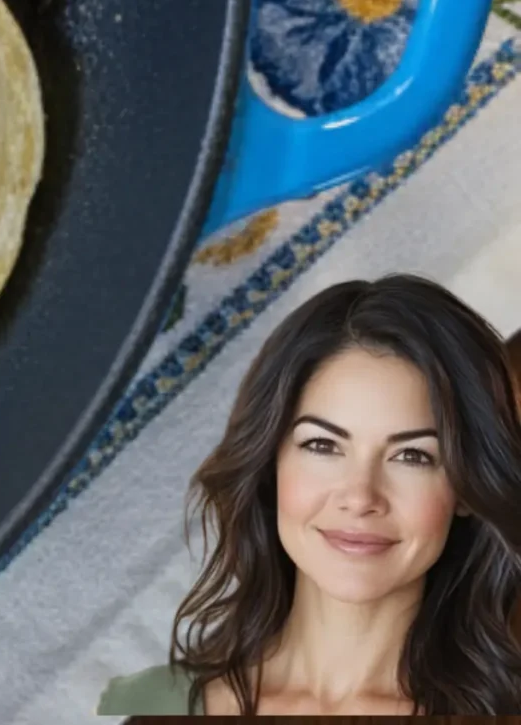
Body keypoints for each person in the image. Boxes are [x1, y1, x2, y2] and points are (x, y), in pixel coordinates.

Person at [99, 275, 521, 715]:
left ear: (467, 491)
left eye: (413, 456)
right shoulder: (163, 714)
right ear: (270, 464)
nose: (360, 497)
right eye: (323, 445)